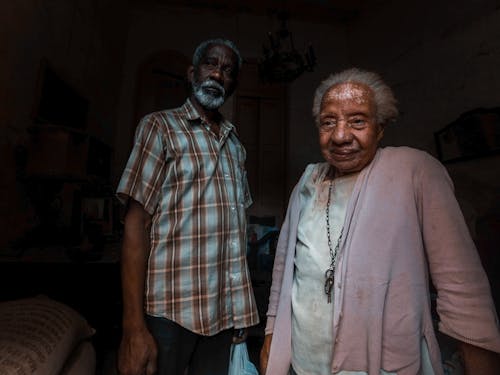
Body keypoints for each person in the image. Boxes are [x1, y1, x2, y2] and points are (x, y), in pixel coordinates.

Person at [260, 68, 500, 375]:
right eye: (328, 122)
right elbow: (283, 274)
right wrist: (271, 339)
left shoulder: (415, 171)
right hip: (306, 362)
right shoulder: (309, 180)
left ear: (381, 128)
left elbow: (462, 288)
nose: (340, 136)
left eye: (358, 121)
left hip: (388, 365)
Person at [116, 38, 259, 375]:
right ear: (192, 72)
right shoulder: (159, 127)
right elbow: (136, 224)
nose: (218, 74)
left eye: (227, 70)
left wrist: (239, 311)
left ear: (233, 84)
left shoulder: (236, 145)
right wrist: (133, 327)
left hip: (223, 314)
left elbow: (235, 230)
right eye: (211, 64)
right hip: (170, 311)